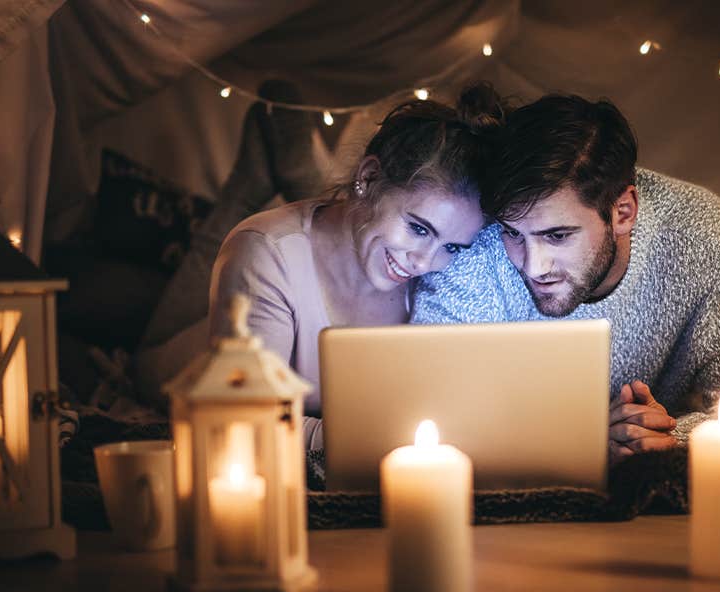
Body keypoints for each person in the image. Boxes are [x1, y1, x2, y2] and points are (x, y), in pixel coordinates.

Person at [411, 94, 720, 462]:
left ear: (623, 212)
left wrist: (664, 439)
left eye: (557, 235)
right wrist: (589, 441)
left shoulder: (702, 237)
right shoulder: (475, 237)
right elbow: (429, 404)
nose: (532, 265)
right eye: (514, 234)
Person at [210, 83, 506, 450]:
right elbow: (242, 418)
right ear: (367, 177)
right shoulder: (264, 253)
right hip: (178, 348)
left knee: (345, 212)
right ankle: (276, 116)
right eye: (418, 228)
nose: (424, 262)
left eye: (451, 247)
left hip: (344, 218)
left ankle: (275, 142)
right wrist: (367, 441)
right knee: (227, 219)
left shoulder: (445, 279)